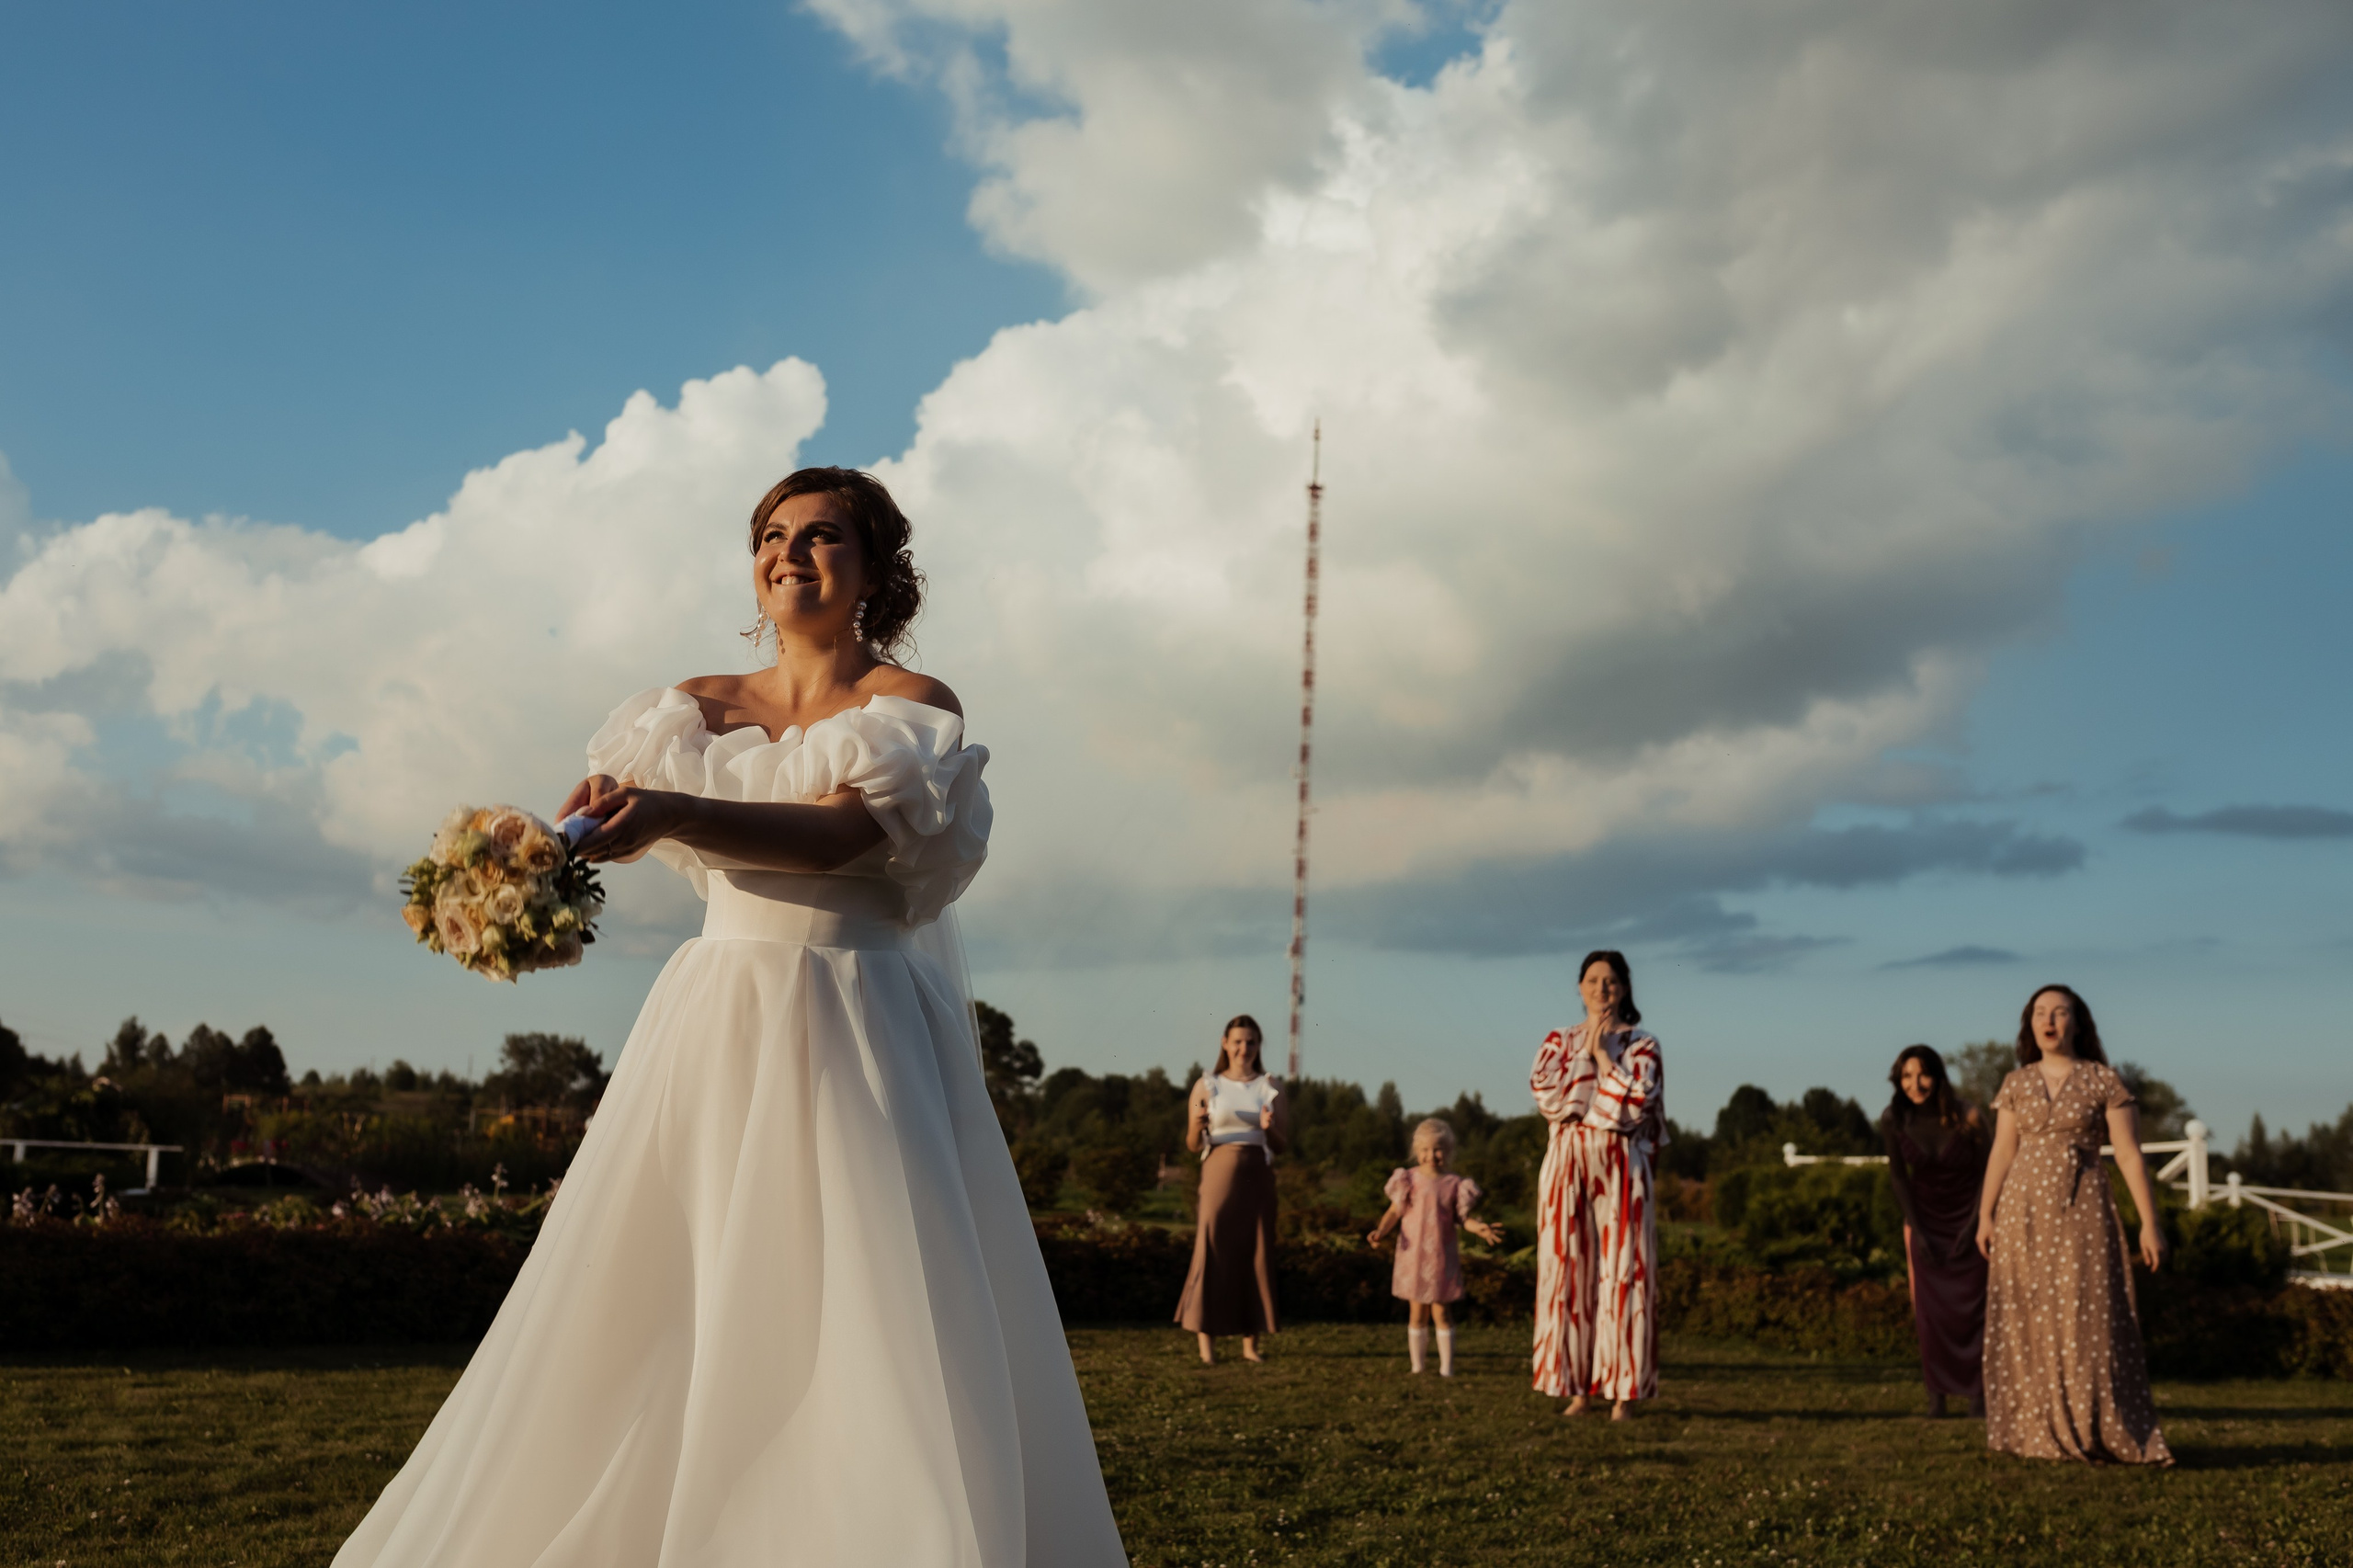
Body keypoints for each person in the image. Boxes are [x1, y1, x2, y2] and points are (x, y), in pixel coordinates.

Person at [334, 469, 1129, 1566]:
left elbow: (839, 839)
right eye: (771, 535)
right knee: (670, 1293)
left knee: (867, 1297)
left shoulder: (911, 702)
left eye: (822, 535)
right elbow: (593, 823)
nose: (789, 553)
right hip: (715, 1021)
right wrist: (526, 861)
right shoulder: (687, 707)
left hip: (859, 1022)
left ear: (876, 568)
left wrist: (675, 810)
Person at [1976, 983, 2174, 1466]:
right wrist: (1985, 1213)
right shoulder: (2016, 1082)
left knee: (2087, 1315)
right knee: (2027, 1312)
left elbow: (2129, 1155)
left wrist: (2149, 1223)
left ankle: (2091, 1425)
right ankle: (2033, 1426)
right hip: (2022, 1212)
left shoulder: (2103, 1080)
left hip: (2082, 1208)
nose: (2049, 1021)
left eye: (2060, 1012)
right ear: (2030, 1025)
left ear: (2078, 1023)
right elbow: (2003, 1151)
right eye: (2040, 1013)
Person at [1529, 949, 1665, 1420]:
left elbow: (1636, 1108)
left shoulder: (1643, 1044)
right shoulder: (1558, 1039)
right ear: (1580, 987)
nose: (1601, 988)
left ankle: (1623, 1393)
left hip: (1622, 1162)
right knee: (1567, 1270)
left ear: (1624, 988)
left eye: (1610, 980)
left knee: (1626, 1272)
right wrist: (1597, 1079)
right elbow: (1548, 1098)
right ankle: (1576, 1388)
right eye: (1592, 980)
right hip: (1566, 1159)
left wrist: (1604, 1058)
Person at [1882, 1044, 1989, 1418]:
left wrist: (1977, 1223)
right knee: (1929, 1313)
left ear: (1939, 1076)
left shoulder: (1968, 1115)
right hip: (1924, 1221)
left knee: (1975, 1309)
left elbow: (1991, 1172)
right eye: (1907, 1076)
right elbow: (1898, 1177)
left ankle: (1978, 1394)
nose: (1916, 1084)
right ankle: (1936, 1396)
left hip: (1971, 1219)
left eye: (1923, 1074)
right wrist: (1916, 1228)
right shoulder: (1894, 1119)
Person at [1175, 1015, 1288, 1365]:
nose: (1244, 1048)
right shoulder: (1207, 1084)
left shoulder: (1270, 1086)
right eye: (1238, 1041)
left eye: (1251, 1042)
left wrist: (1269, 1129)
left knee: (1255, 1252)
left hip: (1257, 1175)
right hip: (1218, 1173)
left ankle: (1250, 1344)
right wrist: (1196, 1126)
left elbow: (1283, 1145)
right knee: (1212, 1248)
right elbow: (1193, 1145)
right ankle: (1206, 1344)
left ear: (1259, 1045)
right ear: (1225, 1043)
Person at [1367, 1117, 1504, 1376]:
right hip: (1414, 1256)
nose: (1431, 1155)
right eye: (1425, 1150)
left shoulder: (1455, 1183)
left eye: (1438, 1149)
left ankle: (1446, 1368)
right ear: (1416, 1151)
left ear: (1449, 1151)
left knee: (1442, 1312)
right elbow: (1395, 1211)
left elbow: (1462, 1219)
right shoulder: (1407, 1179)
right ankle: (1417, 1367)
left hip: (1441, 1258)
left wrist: (1479, 1228)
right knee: (1417, 1312)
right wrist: (1381, 1231)